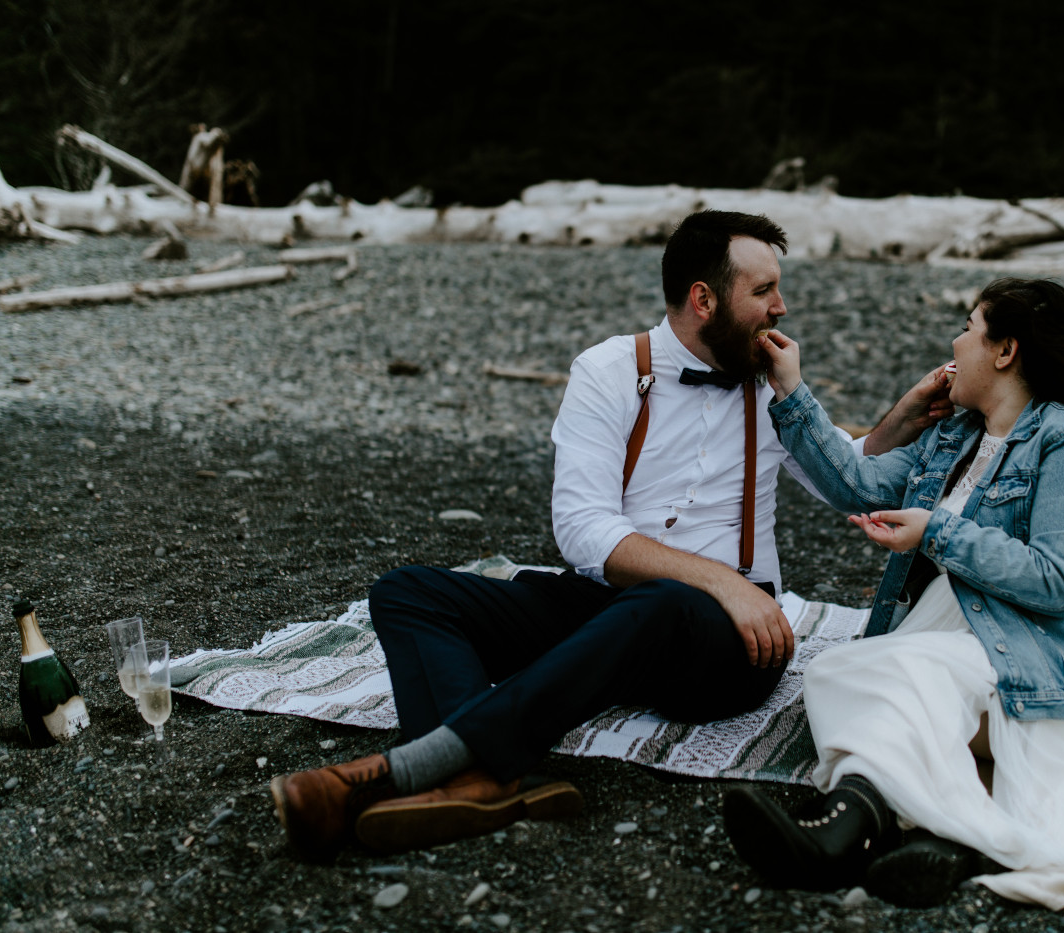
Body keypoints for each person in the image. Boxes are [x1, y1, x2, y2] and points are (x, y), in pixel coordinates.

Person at [268, 210, 952, 863]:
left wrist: (906, 415)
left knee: (660, 603)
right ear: (703, 299)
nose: (781, 308)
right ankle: (479, 776)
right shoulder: (610, 370)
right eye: (765, 290)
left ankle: (408, 769)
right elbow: (583, 529)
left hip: (729, 646)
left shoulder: (774, 387)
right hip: (615, 604)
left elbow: (850, 472)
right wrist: (720, 579)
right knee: (409, 591)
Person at [723, 278, 1064, 915]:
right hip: (971, 648)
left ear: (1004, 351)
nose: (955, 340)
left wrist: (938, 530)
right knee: (872, 678)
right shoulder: (959, 434)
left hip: (1053, 675)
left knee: (874, 676)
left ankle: (845, 833)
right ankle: (924, 840)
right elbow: (858, 483)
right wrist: (790, 389)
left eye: (968, 327)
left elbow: (1059, 580)